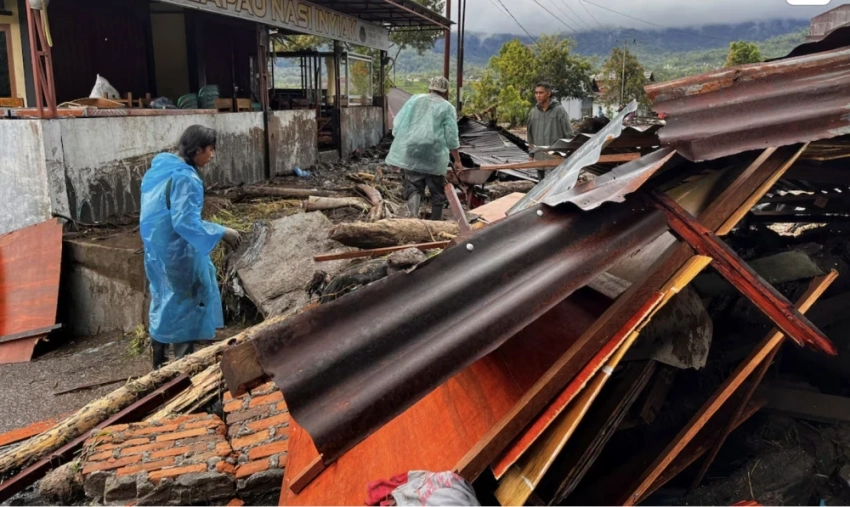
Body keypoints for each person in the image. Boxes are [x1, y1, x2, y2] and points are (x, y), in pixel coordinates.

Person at [139, 125, 242, 370]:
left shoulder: (161, 169)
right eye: (210, 149)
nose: (212, 155)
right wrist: (222, 231)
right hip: (178, 253)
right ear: (197, 150)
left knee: (163, 301)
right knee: (184, 306)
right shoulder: (186, 178)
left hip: (157, 251)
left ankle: (158, 366)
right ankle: (181, 372)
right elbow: (185, 222)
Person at [386, 76, 462, 221]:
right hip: (434, 154)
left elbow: (398, 123)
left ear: (429, 88)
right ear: (446, 92)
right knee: (437, 192)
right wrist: (457, 160)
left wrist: (404, 139)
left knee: (413, 187)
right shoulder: (447, 108)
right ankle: (435, 223)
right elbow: (451, 137)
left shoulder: (415, 100)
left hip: (412, 150)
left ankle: (413, 218)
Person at [527, 82, 575, 181]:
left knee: (552, 186)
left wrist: (570, 153)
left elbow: (568, 133)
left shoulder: (559, 111)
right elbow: (530, 135)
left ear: (548, 93)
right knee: (541, 186)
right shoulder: (533, 113)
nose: (538, 95)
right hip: (539, 159)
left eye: (541, 93)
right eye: (536, 93)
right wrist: (531, 154)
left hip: (554, 159)